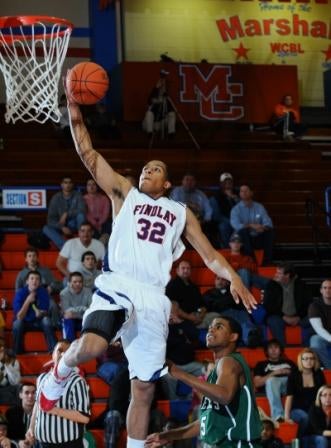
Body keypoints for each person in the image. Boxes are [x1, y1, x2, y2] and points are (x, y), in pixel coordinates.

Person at [38, 92, 256, 448]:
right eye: (145, 167)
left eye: (155, 169)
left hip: (154, 298)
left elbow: (209, 253)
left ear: (166, 184)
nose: (147, 170)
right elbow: (89, 156)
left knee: (143, 387)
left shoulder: (180, 213)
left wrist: (234, 277)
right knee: (92, 345)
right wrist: (75, 114)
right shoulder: (125, 193)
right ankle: (58, 375)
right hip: (118, 284)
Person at [145, 316, 262, 448]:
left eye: (219, 327)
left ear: (233, 337)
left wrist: (179, 373)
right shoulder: (217, 372)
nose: (211, 329)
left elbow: (224, 395)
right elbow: (205, 422)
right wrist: (167, 435)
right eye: (210, 326)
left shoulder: (229, 362)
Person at [26, 339, 90, 448]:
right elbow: (37, 405)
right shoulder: (42, 378)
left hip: (69, 445)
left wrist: (54, 410)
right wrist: (31, 428)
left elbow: (84, 417)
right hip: (43, 444)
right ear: (53, 354)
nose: (63, 354)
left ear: (72, 357)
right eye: (59, 350)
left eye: (67, 351)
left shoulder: (77, 381)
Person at [202, 276, 263, 348]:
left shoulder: (232, 290)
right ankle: (248, 338)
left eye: (223, 280)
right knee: (234, 316)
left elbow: (239, 303)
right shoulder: (209, 294)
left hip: (238, 312)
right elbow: (209, 306)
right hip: (221, 314)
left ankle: (252, 335)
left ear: (227, 282)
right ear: (215, 281)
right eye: (218, 279)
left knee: (243, 316)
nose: (220, 282)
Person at [263, 262, 312, 347]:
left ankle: (305, 349)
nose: (276, 275)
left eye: (279, 273)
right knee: (273, 320)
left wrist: (299, 317)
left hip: (299, 317)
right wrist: (284, 317)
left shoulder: (301, 285)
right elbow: (268, 306)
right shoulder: (271, 285)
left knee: (315, 319)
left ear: (287, 275)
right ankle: (282, 349)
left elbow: (307, 303)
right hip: (280, 316)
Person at [162, 302, 204, 400]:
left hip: (190, 364)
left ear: (178, 311)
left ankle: (201, 398)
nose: (171, 312)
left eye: (174, 309)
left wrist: (180, 323)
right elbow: (167, 343)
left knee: (206, 370)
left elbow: (195, 336)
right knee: (168, 378)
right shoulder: (164, 327)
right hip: (172, 365)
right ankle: (173, 401)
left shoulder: (185, 324)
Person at [15, 247, 62, 328]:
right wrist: (27, 296)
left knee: (53, 305)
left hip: (44, 296)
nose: (32, 258)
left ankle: (56, 326)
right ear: (26, 259)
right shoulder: (21, 274)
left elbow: (57, 284)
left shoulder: (45, 271)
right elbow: (17, 290)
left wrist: (51, 287)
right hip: (28, 298)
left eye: (34, 256)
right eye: (29, 256)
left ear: (37, 258)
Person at [12, 271, 57, 355]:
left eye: (37, 279)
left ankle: (54, 350)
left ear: (40, 282)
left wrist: (41, 313)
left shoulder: (43, 292)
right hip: (24, 322)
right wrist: (27, 301)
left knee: (47, 320)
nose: (34, 281)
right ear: (27, 281)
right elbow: (19, 317)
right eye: (32, 278)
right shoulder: (20, 293)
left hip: (38, 321)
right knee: (17, 324)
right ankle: (17, 352)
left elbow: (45, 311)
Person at [284, 348, 325, 440]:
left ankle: (308, 438)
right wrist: (286, 416)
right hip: (297, 410)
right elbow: (289, 396)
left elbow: (323, 393)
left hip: (314, 409)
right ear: (300, 360)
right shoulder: (294, 375)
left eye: (311, 358)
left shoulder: (318, 374)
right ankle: (298, 440)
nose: (309, 361)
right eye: (305, 359)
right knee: (305, 417)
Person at [253, 339, 296, 422]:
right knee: (271, 380)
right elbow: (257, 383)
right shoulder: (261, 364)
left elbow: (299, 379)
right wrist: (274, 373)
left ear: (280, 350)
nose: (273, 350)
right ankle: (278, 416)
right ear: (266, 351)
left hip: (289, 384)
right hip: (273, 386)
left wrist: (290, 373)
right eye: (270, 348)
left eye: (276, 347)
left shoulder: (289, 362)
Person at [230, 183, 274, 265]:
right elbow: (236, 225)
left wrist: (263, 228)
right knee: (243, 231)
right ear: (239, 194)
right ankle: (251, 260)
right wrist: (251, 225)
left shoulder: (259, 207)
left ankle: (267, 262)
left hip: (257, 237)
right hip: (244, 239)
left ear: (251, 193)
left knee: (270, 232)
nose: (244, 193)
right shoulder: (235, 209)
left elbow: (268, 223)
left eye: (246, 191)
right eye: (242, 191)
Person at [42, 176, 86, 249]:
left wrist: (66, 214)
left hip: (74, 224)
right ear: (61, 185)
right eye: (65, 183)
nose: (68, 185)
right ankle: (65, 247)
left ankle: (82, 241)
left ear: (72, 185)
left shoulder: (77, 195)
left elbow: (82, 210)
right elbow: (50, 219)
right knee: (46, 228)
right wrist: (61, 227)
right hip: (60, 225)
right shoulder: (56, 198)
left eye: (70, 183)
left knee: (81, 215)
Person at [165, 260, 208, 327]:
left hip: (197, 317)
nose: (186, 270)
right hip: (180, 319)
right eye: (183, 268)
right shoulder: (171, 286)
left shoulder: (194, 287)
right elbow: (172, 307)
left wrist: (200, 315)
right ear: (177, 270)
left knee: (214, 317)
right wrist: (189, 317)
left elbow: (202, 304)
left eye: (188, 268)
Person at [60, 272, 93, 342]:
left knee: (92, 320)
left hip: (84, 319)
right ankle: (69, 344)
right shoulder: (64, 293)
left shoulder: (88, 292)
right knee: (68, 320)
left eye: (80, 282)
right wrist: (83, 308)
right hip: (71, 320)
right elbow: (67, 311)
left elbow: (91, 309)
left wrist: (76, 314)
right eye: (75, 282)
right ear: (69, 283)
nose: (77, 284)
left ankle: (87, 346)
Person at [209, 172, 239, 248]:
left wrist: (234, 199)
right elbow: (216, 215)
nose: (228, 183)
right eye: (225, 182)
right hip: (224, 220)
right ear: (221, 183)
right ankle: (226, 249)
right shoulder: (216, 196)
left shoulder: (237, 194)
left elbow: (242, 208)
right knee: (224, 226)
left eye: (229, 182)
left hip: (238, 219)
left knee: (241, 226)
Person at [142, 71, 176, 138]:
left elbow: (171, 110)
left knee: (172, 114)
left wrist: (164, 99)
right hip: (151, 124)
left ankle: (171, 133)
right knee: (149, 113)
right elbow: (149, 101)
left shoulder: (166, 98)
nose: (162, 88)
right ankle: (150, 133)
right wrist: (156, 88)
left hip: (160, 123)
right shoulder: (154, 94)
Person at [308, 278, 331, 369]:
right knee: (315, 341)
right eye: (325, 288)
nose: (327, 290)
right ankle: (330, 369)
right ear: (321, 290)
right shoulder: (315, 306)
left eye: (330, 288)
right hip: (323, 337)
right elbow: (319, 329)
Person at [6, 382, 36, 446]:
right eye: (27, 393)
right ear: (20, 395)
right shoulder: (11, 413)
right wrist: (18, 442)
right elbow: (8, 436)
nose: (30, 396)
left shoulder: (42, 413)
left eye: (33, 393)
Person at [0, 337, 21, 405]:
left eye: (4, 346)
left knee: (20, 389)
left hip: (9, 390)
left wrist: (8, 365)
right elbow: (2, 381)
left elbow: (15, 382)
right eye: (0, 346)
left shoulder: (13, 362)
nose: (2, 348)